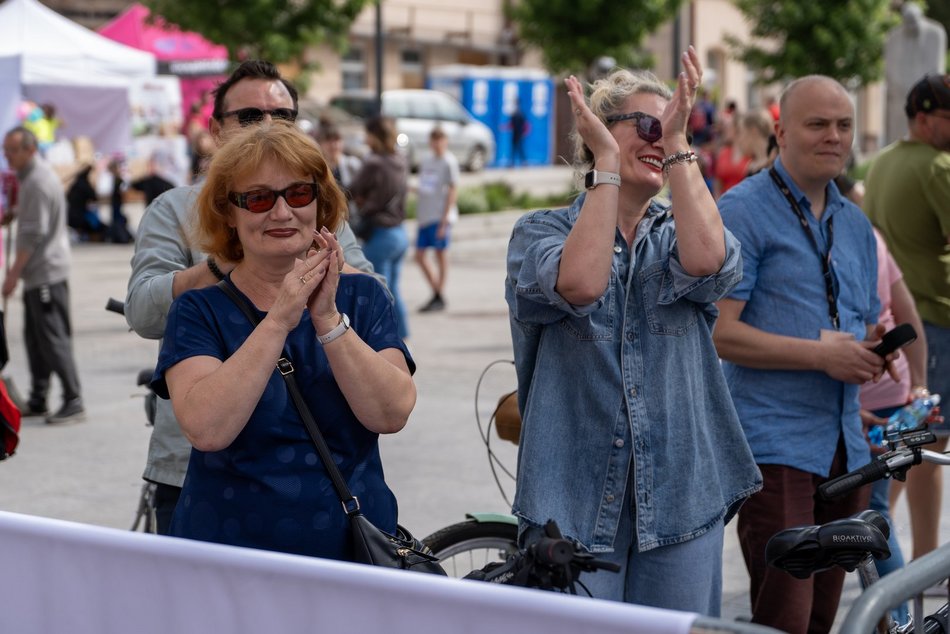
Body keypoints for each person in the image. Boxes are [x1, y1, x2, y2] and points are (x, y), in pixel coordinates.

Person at [505, 48, 761, 615]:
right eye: (648, 123)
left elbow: (708, 261)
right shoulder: (539, 232)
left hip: (682, 496)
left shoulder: (680, 229)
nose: (661, 133)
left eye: (674, 122)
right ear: (598, 133)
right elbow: (582, 283)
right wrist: (607, 169)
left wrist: (676, 146)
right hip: (570, 503)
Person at [126, 59, 375, 535]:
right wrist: (228, 260)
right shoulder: (176, 210)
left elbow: (367, 292)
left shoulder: (308, 206)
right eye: (249, 116)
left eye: (281, 117)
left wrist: (317, 274)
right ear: (218, 129)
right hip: (197, 465)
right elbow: (142, 308)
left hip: (312, 460)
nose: (265, 127)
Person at [151, 120, 415, 558]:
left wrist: (328, 320)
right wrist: (277, 320)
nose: (280, 212)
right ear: (229, 215)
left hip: (351, 556)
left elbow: (392, 413)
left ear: (319, 202)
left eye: (297, 194)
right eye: (257, 198)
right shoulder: (198, 310)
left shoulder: (364, 297)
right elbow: (207, 429)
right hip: (229, 559)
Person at [714, 75, 888, 634]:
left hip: (845, 446)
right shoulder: (743, 210)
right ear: (782, 131)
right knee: (784, 618)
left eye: (843, 125)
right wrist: (821, 357)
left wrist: (869, 354)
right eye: (818, 124)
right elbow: (717, 332)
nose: (833, 136)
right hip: (774, 444)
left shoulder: (856, 224)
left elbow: (859, 324)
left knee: (820, 620)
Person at [864, 72, 950, 563]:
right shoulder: (938, 167)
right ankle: (924, 565)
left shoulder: (884, 161)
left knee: (901, 446)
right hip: (934, 322)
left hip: (895, 323)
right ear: (923, 117)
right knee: (929, 448)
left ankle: (883, 549)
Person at [858, 228, 930, 627]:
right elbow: (908, 314)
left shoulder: (855, 235)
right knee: (875, 509)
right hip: (890, 391)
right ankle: (897, 617)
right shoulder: (872, 235)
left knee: (872, 511)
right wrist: (918, 384)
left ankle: (897, 617)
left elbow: (904, 314)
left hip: (869, 395)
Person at [2, 126, 84, 424]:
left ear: (30, 150)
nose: (6, 155)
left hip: (46, 271)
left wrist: (12, 274)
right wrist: (14, 211)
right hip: (39, 274)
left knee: (52, 337)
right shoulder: (30, 179)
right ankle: (38, 396)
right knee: (35, 337)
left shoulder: (36, 182)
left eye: (12, 150)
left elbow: (31, 235)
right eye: (5, 150)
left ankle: (73, 398)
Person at [350, 116, 410, 339]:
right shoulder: (401, 159)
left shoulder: (373, 162)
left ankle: (387, 340)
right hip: (400, 233)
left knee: (379, 291)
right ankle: (403, 338)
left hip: (381, 234)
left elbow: (353, 188)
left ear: (374, 136)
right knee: (393, 289)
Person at [414, 127, 459, 312]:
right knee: (419, 255)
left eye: (441, 140)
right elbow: (425, 186)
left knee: (440, 254)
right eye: (434, 140)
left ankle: (438, 293)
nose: (437, 144)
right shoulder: (427, 161)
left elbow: (452, 190)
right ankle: (437, 292)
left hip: (440, 216)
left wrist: (444, 219)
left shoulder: (449, 162)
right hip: (425, 214)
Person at [65, 164, 107, 242]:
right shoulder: (84, 185)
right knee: (98, 226)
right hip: (78, 216)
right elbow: (94, 197)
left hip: (71, 215)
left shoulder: (75, 185)